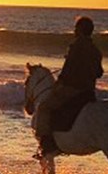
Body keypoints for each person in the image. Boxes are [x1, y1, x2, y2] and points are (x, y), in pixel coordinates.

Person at [34, 16, 103, 159]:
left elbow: (66, 72)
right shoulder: (96, 50)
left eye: (76, 28)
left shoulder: (76, 46)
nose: (74, 31)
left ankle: (46, 146)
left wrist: (57, 85)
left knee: (44, 108)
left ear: (80, 30)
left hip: (73, 90)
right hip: (89, 92)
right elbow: (99, 73)